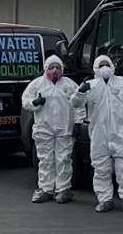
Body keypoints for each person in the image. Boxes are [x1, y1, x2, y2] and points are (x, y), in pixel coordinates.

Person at [78, 54, 123, 213]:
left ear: (112, 66)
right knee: (101, 168)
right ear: (95, 68)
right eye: (101, 66)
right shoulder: (90, 86)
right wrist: (80, 92)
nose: (104, 68)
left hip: (120, 132)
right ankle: (104, 199)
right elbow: (75, 104)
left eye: (106, 64)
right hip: (99, 134)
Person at [21, 54, 83, 204]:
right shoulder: (37, 84)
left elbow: (78, 104)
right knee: (45, 160)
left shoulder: (70, 85)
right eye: (52, 67)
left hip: (64, 128)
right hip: (44, 128)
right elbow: (25, 101)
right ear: (46, 68)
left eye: (58, 67)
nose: (55, 70)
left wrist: (78, 123)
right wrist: (35, 102)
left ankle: (63, 189)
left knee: (63, 159)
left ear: (62, 69)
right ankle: (45, 189)